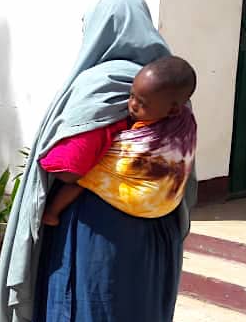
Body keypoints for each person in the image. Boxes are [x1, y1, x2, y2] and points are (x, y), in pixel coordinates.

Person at [0, 0, 198, 322]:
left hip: (94, 238)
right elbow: (180, 171)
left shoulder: (97, 83)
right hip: (154, 241)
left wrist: (56, 198)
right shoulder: (170, 87)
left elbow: (62, 163)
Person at [41, 56, 197, 226]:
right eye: (132, 96)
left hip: (134, 203)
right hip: (163, 209)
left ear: (173, 110)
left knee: (83, 178)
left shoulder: (174, 131)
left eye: (142, 104)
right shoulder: (179, 119)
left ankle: (52, 212)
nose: (132, 105)